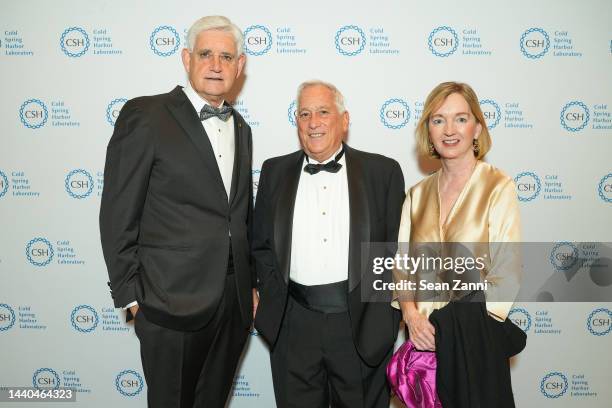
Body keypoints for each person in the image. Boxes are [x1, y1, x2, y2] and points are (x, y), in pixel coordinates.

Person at [99, 15, 257, 408]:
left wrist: (250, 286)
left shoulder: (242, 128)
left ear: (240, 67)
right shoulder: (147, 116)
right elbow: (118, 210)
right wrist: (131, 297)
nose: (216, 65)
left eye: (226, 56)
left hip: (232, 303)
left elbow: (238, 215)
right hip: (169, 302)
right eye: (206, 54)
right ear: (187, 59)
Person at [252, 80, 405, 408]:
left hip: (360, 326)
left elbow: (396, 251)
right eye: (304, 113)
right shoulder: (274, 171)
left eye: (323, 111)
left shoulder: (383, 172)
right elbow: (261, 245)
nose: (313, 122)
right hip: (293, 324)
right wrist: (270, 304)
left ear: (344, 120)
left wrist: (384, 321)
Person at [394, 81, 524, 407]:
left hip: (474, 345)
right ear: (429, 130)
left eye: (461, 119)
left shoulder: (498, 186)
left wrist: (448, 328)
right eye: (438, 120)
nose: (449, 130)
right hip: (423, 352)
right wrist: (410, 315)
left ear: (477, 127)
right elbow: (401, 265)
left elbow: (506, 275)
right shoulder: (417, 194)